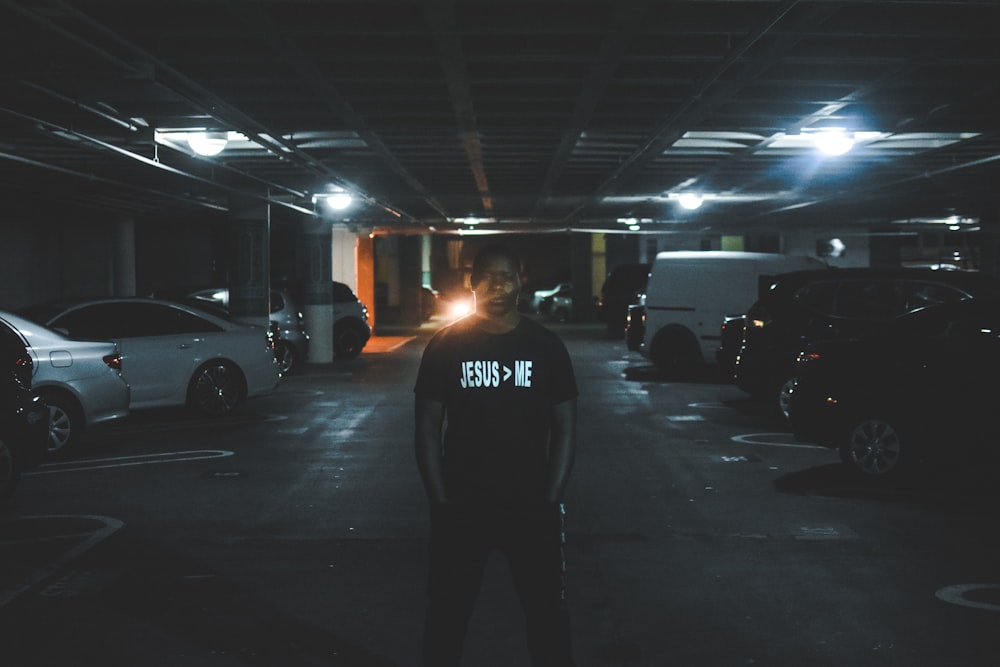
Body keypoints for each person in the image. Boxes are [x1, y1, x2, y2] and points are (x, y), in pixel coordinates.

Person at [413, 243, 578, 666]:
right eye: (487, 276)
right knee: (447, 614)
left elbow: (565, 427)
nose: (497, 285)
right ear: (472, 283)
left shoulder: (545, 346)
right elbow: (428, 427)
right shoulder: (446, 346)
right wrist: (440, 501)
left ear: (521, 282)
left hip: (529, 504)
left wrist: (551, 499)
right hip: (463, 504)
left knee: (547, 616)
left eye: (507, 276)